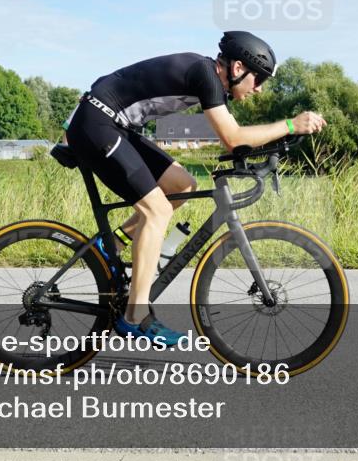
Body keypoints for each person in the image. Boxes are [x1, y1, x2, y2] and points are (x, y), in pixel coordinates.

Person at [62, 31, 327, 345]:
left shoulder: (208, 79)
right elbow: (234, 138)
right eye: (258, 80)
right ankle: (134, 316)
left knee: (182, 185)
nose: (259, 89)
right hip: (96, 124)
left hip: (114, 124)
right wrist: (290, 125)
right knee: (156, 211)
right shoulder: (205, 74)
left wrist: (273, 147)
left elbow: (233, 143)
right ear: (239, 68)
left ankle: (112, 245)